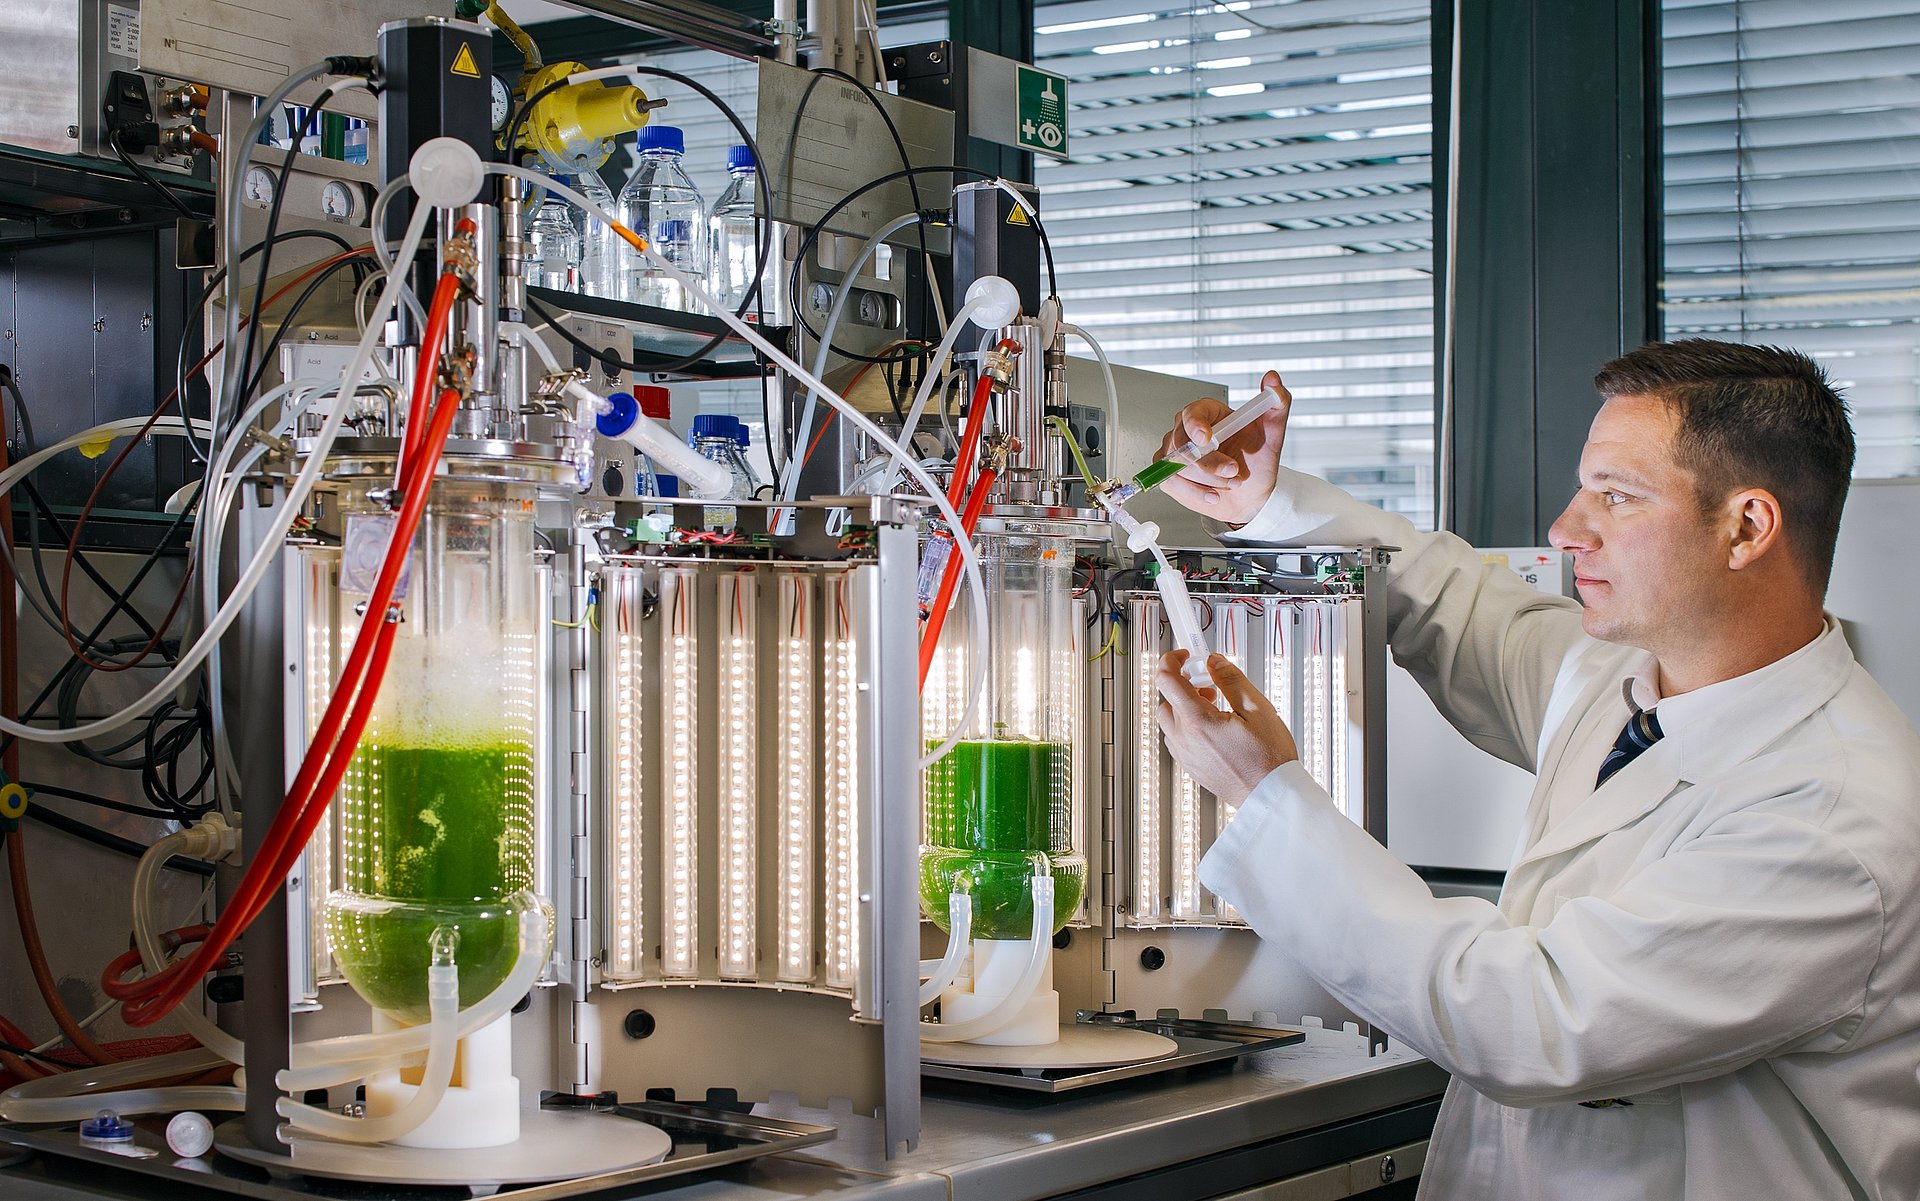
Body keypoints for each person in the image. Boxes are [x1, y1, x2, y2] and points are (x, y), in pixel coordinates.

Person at [1152, 340, 1920, 1200]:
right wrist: (1265, 501)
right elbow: (1456, 603)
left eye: (1616, 497)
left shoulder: (1831, 816)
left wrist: (1269, 799)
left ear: (1746, 526)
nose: (1566, 529)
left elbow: (1532, 1020)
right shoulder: (1618, 680)